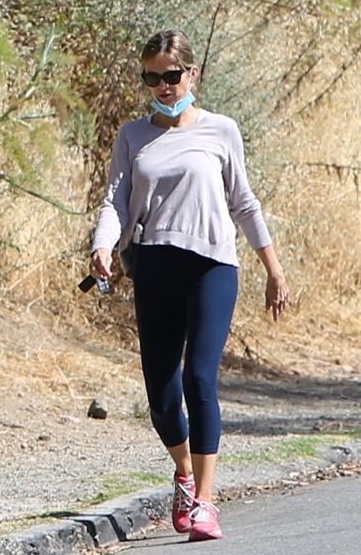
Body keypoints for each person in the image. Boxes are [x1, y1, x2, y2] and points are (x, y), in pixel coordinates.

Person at [89, 29, 288, 542]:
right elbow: (115, 201)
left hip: (213, 267)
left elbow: (244, 202)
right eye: (152, 77)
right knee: (161, 395)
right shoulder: (133, 136)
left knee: (200, 380)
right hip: (154, 266)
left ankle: (206, 500)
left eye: (171, 76)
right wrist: (103, 246)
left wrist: (273, 269)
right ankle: (182, 472)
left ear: (192, 73)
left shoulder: (223, 131)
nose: (162, 86)